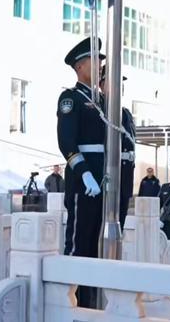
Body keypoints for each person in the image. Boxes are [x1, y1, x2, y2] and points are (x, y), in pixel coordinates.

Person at [56, 36, 106, 308]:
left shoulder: (102, 101)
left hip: (103, 181)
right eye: (94, 60)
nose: (99, 66)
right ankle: (69, 305)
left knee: (95, 248)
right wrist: (85, 172)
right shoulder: (71, 98)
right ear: (79, 66)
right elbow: (67, 142)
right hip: (83, 182)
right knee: (78, 244)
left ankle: (89, 306)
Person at [100, 63, 136, 230]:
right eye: (115, 82)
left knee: (120, 220)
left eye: (121, 83)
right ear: (102, 84)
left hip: (125, 175)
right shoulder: (100, 110)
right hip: (109, 172)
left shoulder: (126, 113)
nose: (119, 86)